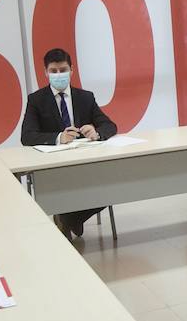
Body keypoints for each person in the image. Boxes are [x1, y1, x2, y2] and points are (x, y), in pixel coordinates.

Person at [19, 48, 118, 239]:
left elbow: (110, 125)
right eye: (54, 71)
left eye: (63, 70)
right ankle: (69, 217)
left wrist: (96, 132)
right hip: (54, 166)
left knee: (111, 183)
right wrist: (58, 137)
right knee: (63, 187)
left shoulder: (85, 97)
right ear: (45, 72)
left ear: (72, 70)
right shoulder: (36, 100)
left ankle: (71, 218)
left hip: (86, 162)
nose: (59, 75)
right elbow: (27, 136)